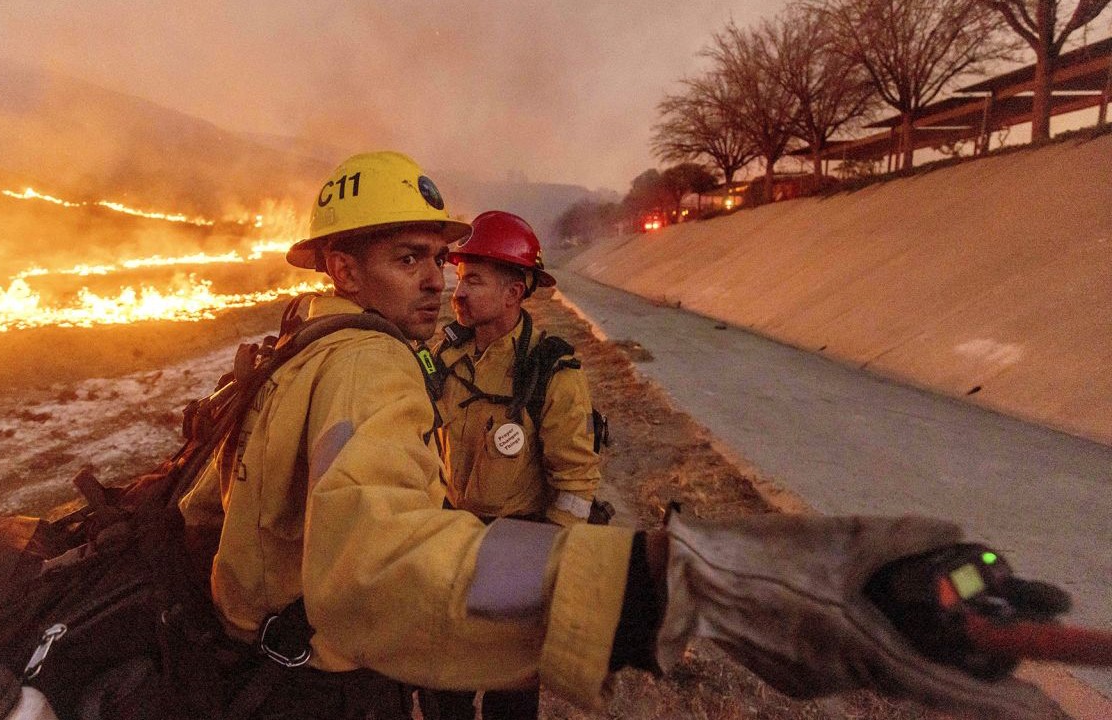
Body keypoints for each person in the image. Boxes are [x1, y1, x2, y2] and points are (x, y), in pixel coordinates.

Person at [178, 150, 1062, 720]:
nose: (440, 285)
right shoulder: (368, 364)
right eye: (408, 260)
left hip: (322, 638)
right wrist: (659, 585)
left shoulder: (297, 350)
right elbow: (381, 559)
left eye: (442, 263)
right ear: (342, 266)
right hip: (337, 667)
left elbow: (212, 510)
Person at [426, 210, 601, 719]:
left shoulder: (552, 371)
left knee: (509, 699)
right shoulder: (445, 356)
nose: (458, 291)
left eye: (473, 280)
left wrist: (548, 572)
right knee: (442, 693)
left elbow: (575, 484)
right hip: (448, 544)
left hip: (517, 552)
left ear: (513, 293)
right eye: (460, 278)